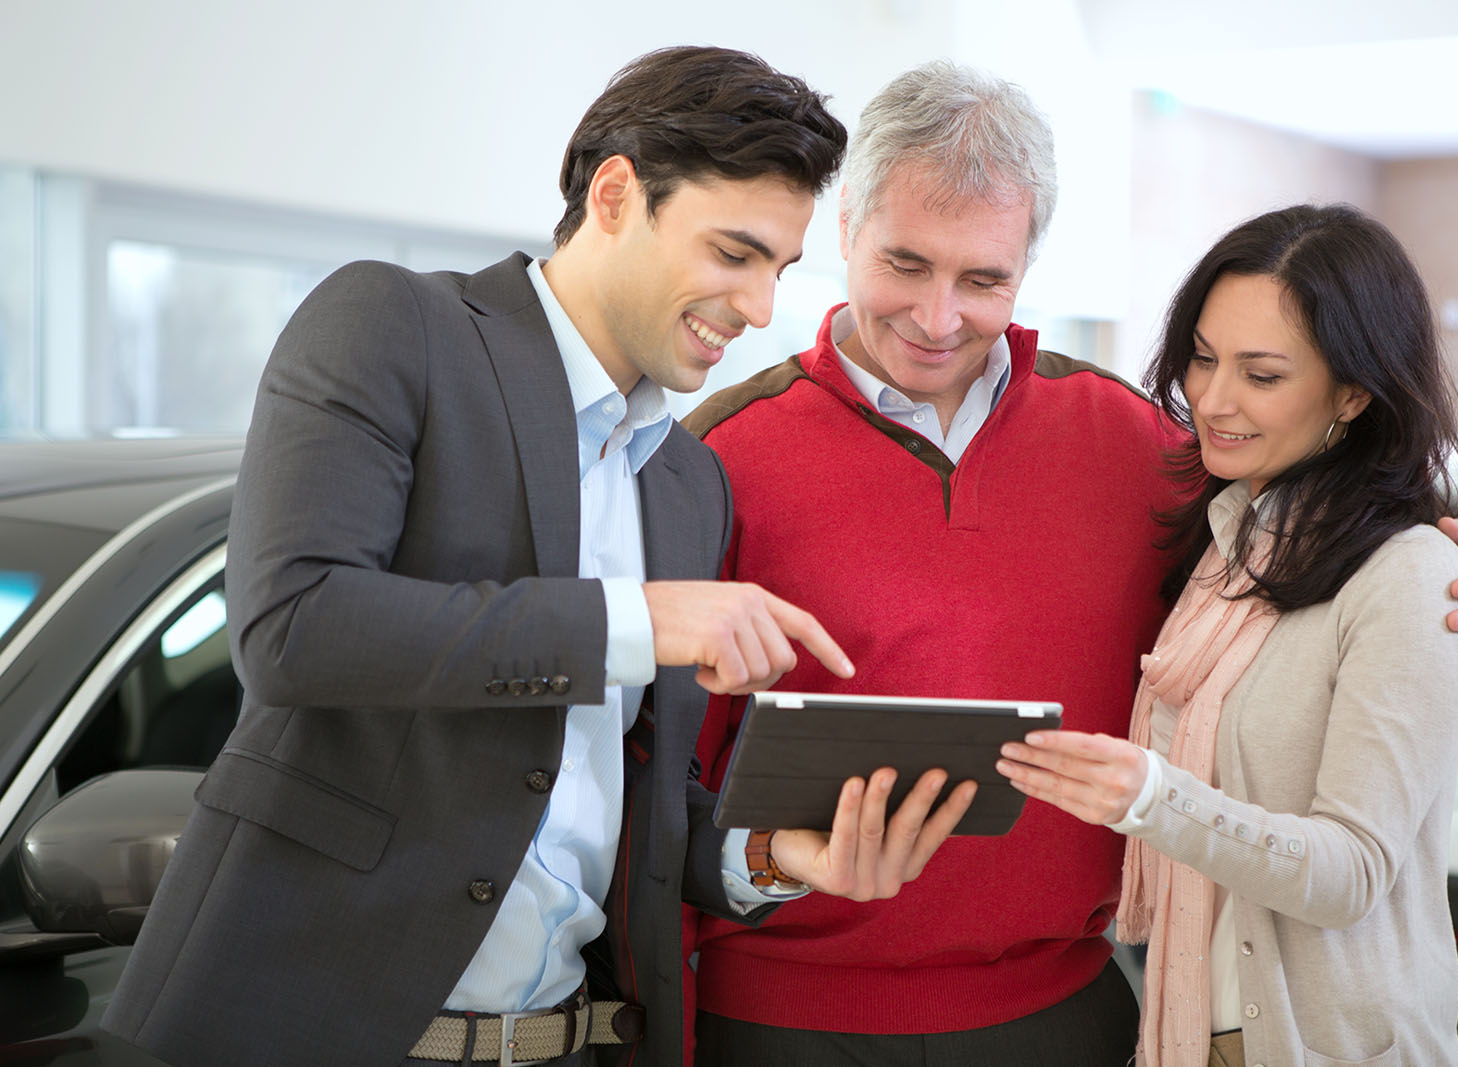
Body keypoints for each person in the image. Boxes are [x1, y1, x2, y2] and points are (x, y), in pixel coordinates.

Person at [103, 46, 974, 1067]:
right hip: (305, 1028)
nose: (757, 308)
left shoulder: (687, 484)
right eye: (733, 253)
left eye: (778, 270)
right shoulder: (394, 326)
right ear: (614, 195)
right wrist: (641, 620)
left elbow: (623, 803)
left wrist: (775, 855)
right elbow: (293, 624)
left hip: (565, 1039)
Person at [684, 63, 1458, 1067]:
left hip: (1066, 1011)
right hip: (784, 1020)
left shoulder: (1143, 447)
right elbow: (649, 781)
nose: (939, 316)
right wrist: (766, 864)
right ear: (845, 224)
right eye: (905, 263)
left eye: (984, 279)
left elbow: (1312, 567)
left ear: (1029, 263)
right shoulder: (717, 458)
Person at [997, 203, 1458, 1066]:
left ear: (1354, 391)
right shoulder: (1225, 540)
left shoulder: (1408, 574)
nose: (1213, 401)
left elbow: (1352, 874)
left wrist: (1153, 797)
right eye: (1204, 358)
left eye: (1261, 375)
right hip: (1189, 1034)